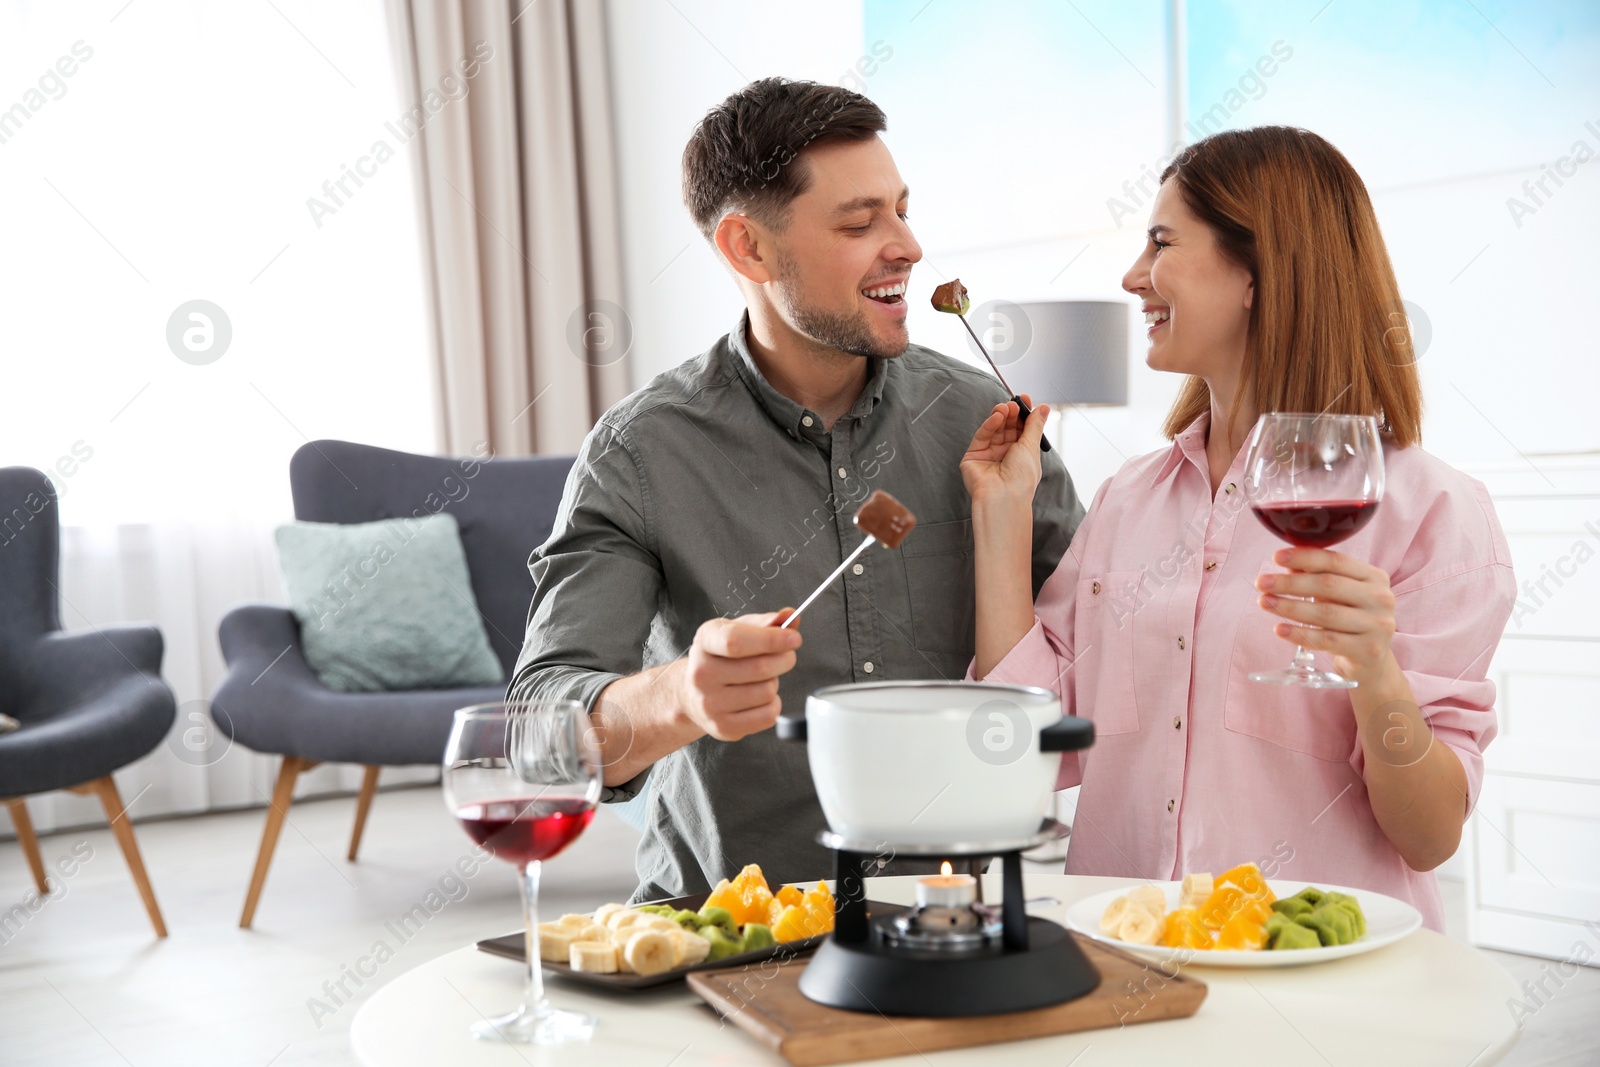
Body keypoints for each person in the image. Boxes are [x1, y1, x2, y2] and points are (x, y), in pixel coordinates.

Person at [508, 77, 1083, 900]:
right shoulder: (643, 452)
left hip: (965, 924)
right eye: (859, 221)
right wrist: (680, 694)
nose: (908, 246)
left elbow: (1113, 647)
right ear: (748, 248)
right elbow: (537, 736)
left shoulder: (984, 420)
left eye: (902, 209)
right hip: (728, 942)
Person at [962, 126, 1514, 931]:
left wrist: (1373, 672)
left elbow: (1427, 834)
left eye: (1160, 242)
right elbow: (1024, 747)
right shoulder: (1128, 500)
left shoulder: (1431, 510)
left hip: (1322, 981)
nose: (1132, 276)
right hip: (1132, 957)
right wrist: (1002, 514)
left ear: (1258, 272)